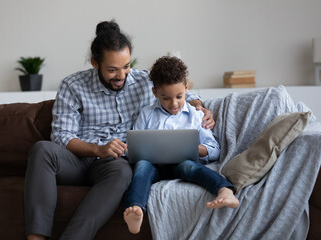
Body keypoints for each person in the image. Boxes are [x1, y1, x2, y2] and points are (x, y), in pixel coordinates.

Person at [24, 20, 215, 240]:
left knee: (123, 171)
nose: (121, 75)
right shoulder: (72, 85)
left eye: (126, 66)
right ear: (95, 63)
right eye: (112, 70)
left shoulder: (145, 80)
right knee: (41, 150)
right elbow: (61, 136)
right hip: (77, 159)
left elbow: (179, 91)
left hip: (113, 165)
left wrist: (200, 106)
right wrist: (98, 149)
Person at [123, 56, 239, 235]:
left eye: (179, 96)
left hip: (182, 164)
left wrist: (196, 149)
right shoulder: (146, 114)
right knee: (141, 167)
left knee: (189, 166)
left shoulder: (196, 115)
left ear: (186, 87)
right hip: (153, 166)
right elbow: (134, 146)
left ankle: (225, 190)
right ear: (155, 93)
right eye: (165, 98)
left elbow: (214, 150)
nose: (174, 103)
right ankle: (135, 209)